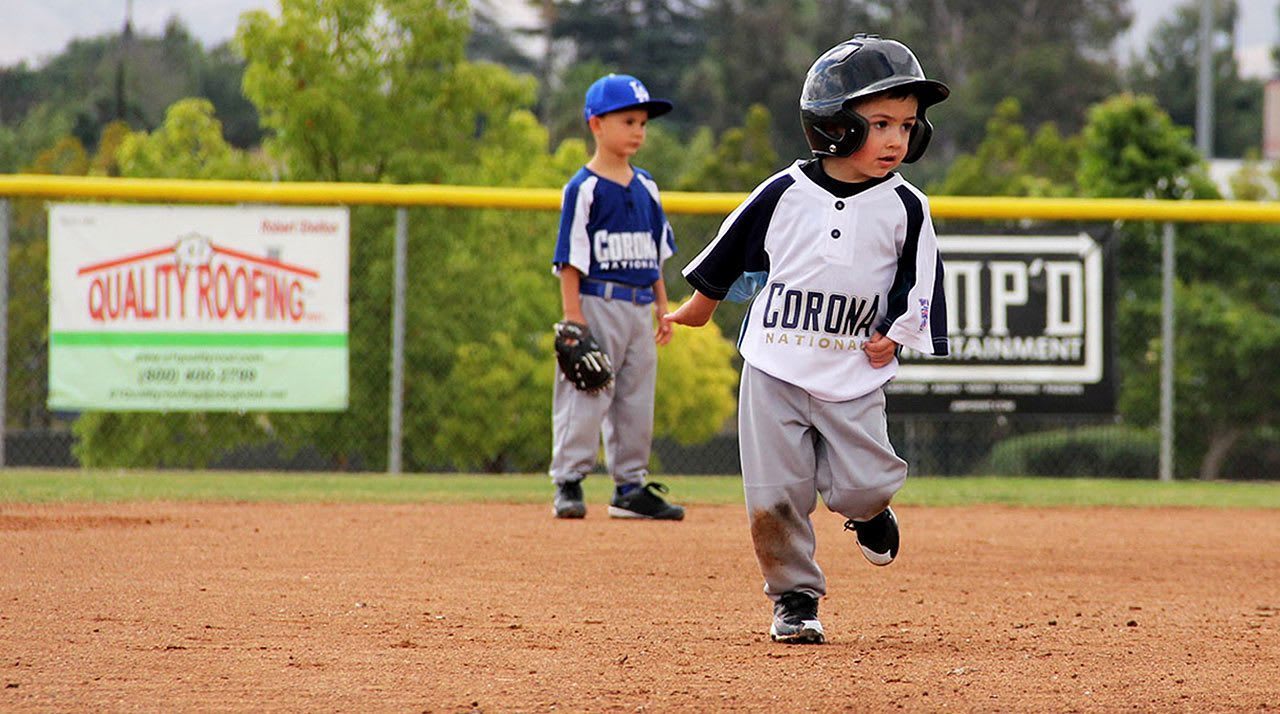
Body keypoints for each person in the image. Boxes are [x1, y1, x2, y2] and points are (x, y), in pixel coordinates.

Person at [662, 34, 950, 643]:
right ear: (833, 125)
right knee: (775, 497)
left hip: (852, 370)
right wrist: (698, 308)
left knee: (863, 484)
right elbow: (728, 251)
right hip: (775, 366)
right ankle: (795, 598)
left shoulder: (907, 206)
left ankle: (871, 514)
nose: (898, 138)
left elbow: (918, 278)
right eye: (878, 123)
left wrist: (895, 336)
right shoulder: (784, 192)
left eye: (907, 124)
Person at [548, 73, 685, 522]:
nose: (638, 131)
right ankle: (568, 480)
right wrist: (574, 317)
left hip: (639, 306)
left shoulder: (646, 185)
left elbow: (656, 253)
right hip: (597, 302)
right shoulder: (583, 188)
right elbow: (569, 258)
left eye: (643, 123)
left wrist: (663, 305)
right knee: (586, 391)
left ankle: (629, 487)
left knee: (635, 399)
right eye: (628, 121)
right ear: (596, 125)